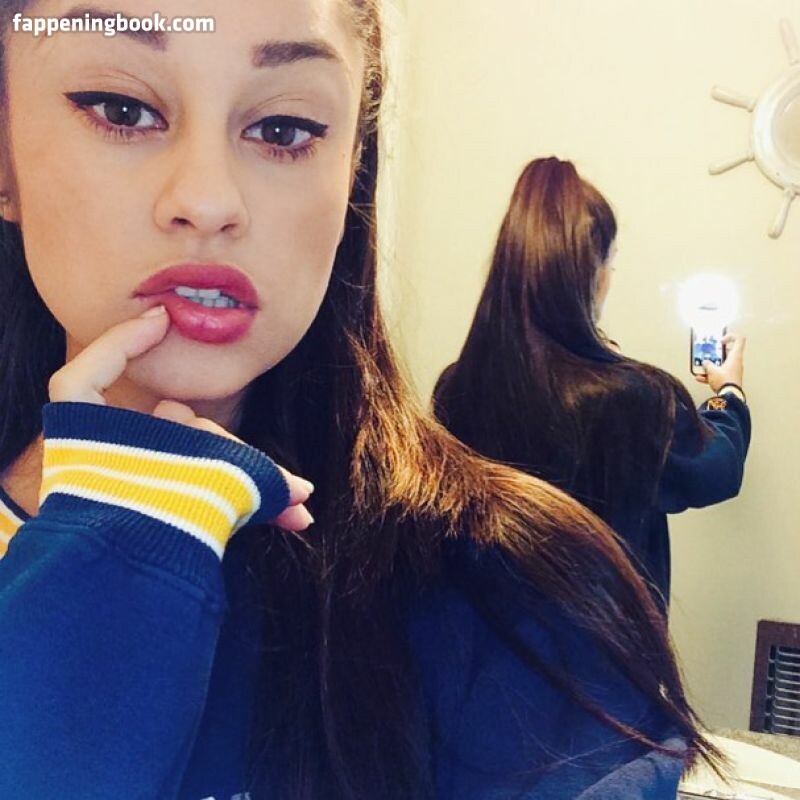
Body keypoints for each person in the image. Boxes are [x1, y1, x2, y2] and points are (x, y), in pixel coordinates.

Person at [0, 6, 719, 799]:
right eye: (122, 109)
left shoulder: (517, 599)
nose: (207, 200)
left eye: (283, 129)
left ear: (350, 172)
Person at [433, 157, 751, 612]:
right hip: (604, 648)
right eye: (612, 263)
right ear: (592, 272)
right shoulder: (633, 398)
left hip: (488, 640)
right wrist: (729, 394)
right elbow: (715, 470)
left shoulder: (456, 387)